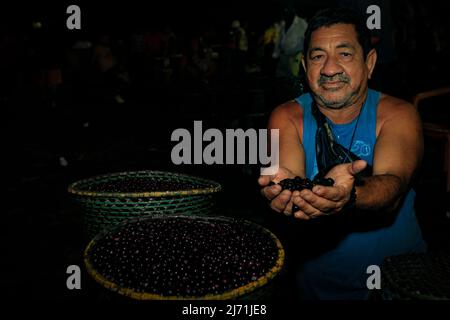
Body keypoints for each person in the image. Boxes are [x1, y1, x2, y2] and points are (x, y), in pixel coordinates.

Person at [258, 8, 426, 300]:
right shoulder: (286, 117)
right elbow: (286, 179)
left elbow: (392, 186)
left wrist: (350, 195)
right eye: (317, 56)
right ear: (304, 65)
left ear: (370, 62)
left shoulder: (398, 114)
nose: (330, 68)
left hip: (398, 284)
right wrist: (285, 193)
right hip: (318, 288)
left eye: (345, 54)